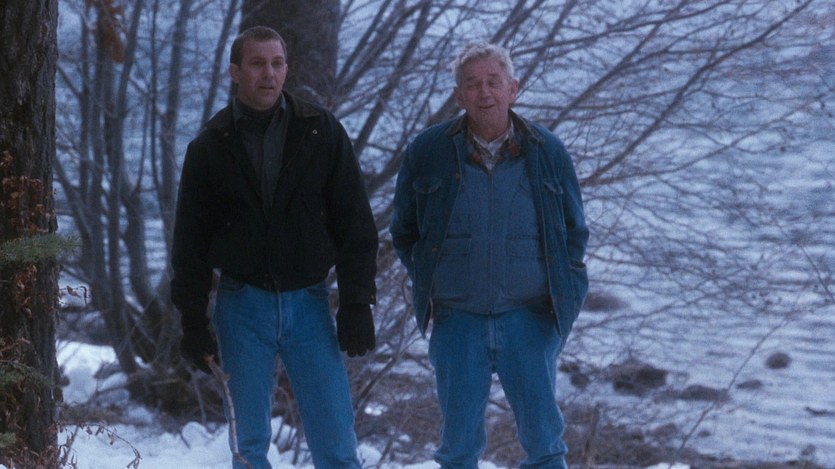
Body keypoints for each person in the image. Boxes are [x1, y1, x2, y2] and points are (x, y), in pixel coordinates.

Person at [170, 26, 378, 469]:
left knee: (337, 442)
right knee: (247, 446)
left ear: (287, 69)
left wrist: (358, 301)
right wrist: (192, 320)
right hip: (241, 306)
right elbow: (190, 242)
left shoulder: (319, 131)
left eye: (277, 63)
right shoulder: (210, 145)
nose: (269, 74)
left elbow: (355, 223)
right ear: (235, 71)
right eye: (257, 64)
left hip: (310, 305)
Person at [390, 42, 589, 469]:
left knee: (545, 444)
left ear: (513, 88)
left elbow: (574, 235)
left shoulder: (548, 151)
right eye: (472, 84)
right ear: (458, 95)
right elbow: (404, 232)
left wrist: (561, 312)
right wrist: (436, 285)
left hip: (529, 320)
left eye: (493, 82)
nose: (484, 93)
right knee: (458, 448)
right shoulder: (428, 151)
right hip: (458, 320)